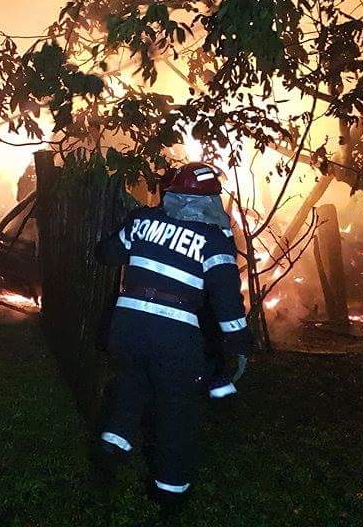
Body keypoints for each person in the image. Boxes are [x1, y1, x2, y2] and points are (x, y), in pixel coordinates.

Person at [93, 162, 251, 514]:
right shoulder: (214, 241)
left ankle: (112, 445)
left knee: (132, 383)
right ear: (212, 201)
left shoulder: (142, 220)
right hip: (174, 335)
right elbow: (227, 302)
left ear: (171, 193)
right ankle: (170, 493)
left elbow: (108, 254)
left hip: (126, 327)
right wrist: (239, 346)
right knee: (177, 410)